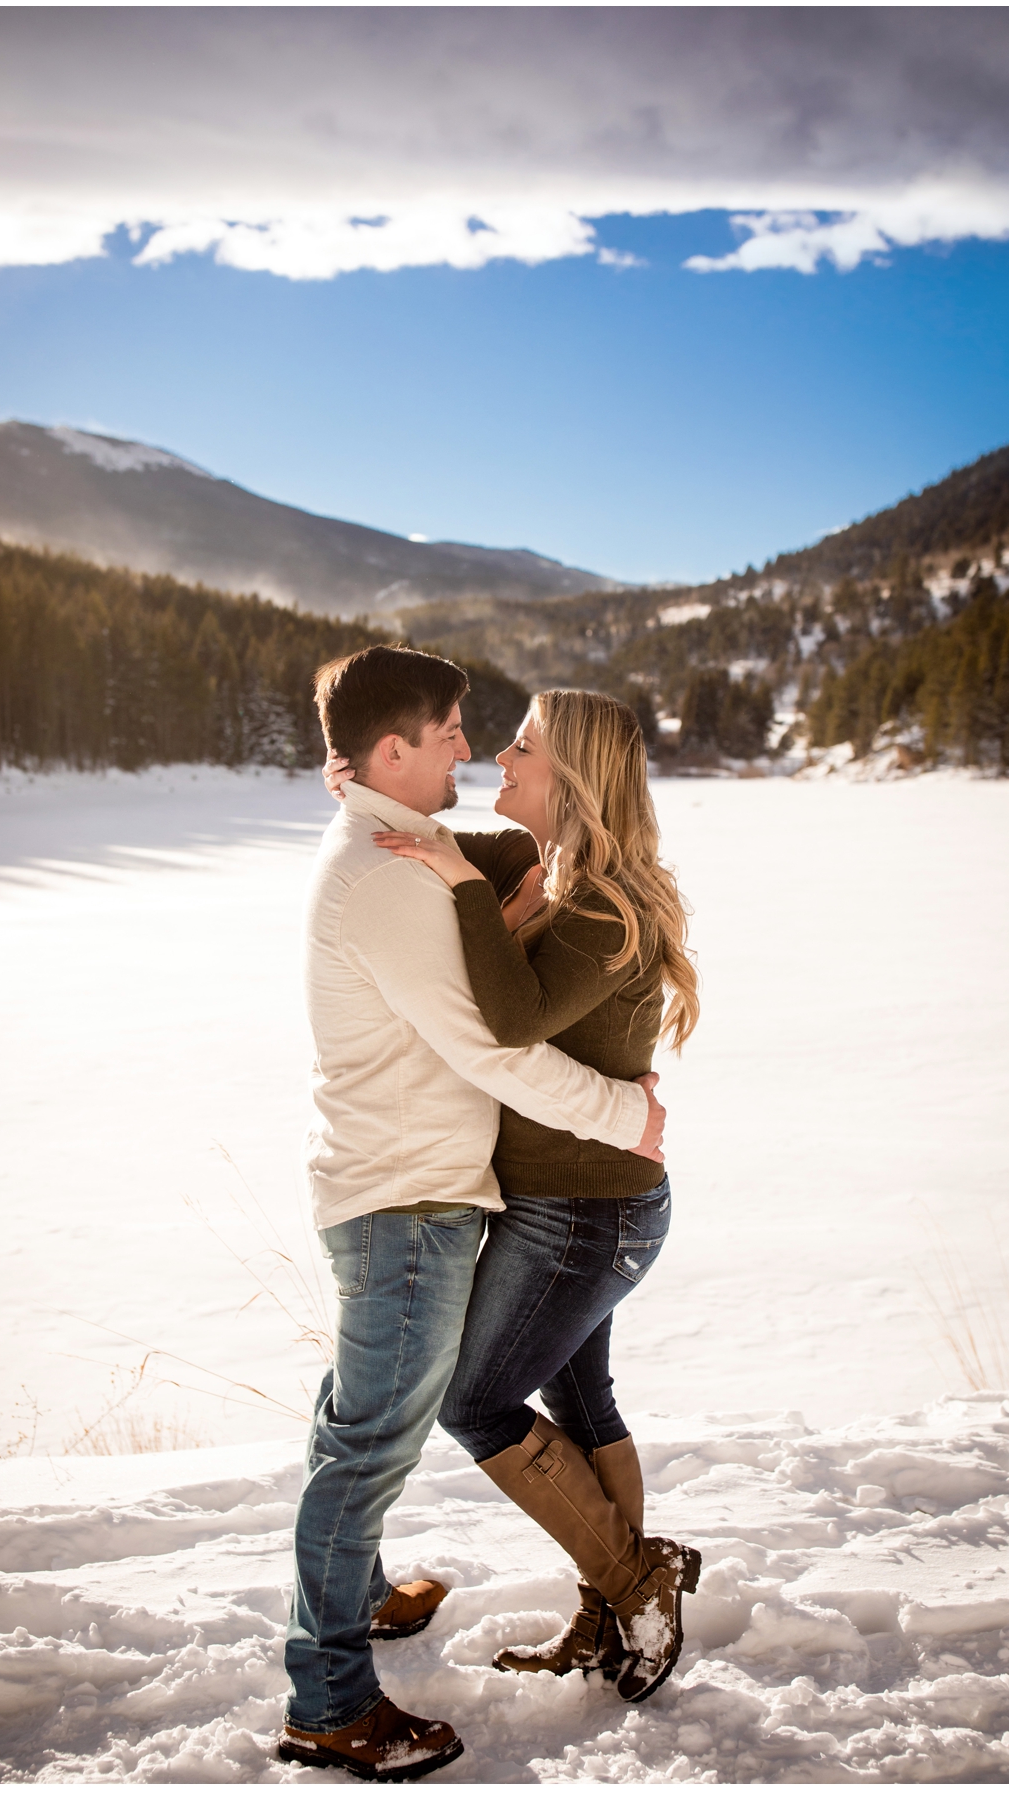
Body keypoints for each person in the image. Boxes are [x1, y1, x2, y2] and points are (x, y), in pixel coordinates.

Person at [282, 647, 664, 1782]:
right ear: (395, 751)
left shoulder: (390, 845)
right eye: (452, 728)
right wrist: (623, 1112)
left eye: (499, 737)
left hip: (414, 1189)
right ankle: (333, 1702)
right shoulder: (388, 874)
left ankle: (358, 1593)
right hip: (406, 1198)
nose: (474, 743)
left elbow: (513, 959)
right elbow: (492, 1045)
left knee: (359, 1421)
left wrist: (382, 799)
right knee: (368, 1444)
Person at [365, 689, 702, 1704]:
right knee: (580, 1395)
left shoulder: (610, 905)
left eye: (525, 745)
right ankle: (611, 1613)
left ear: (577, 776)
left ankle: (638, 1581)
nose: (502, 757)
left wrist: (461, 883)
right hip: (561, 1206)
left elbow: (510, 1023)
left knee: (478, 1399)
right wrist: (372, 795)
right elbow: (437, 831)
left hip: (585, 1215)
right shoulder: (541, 868)